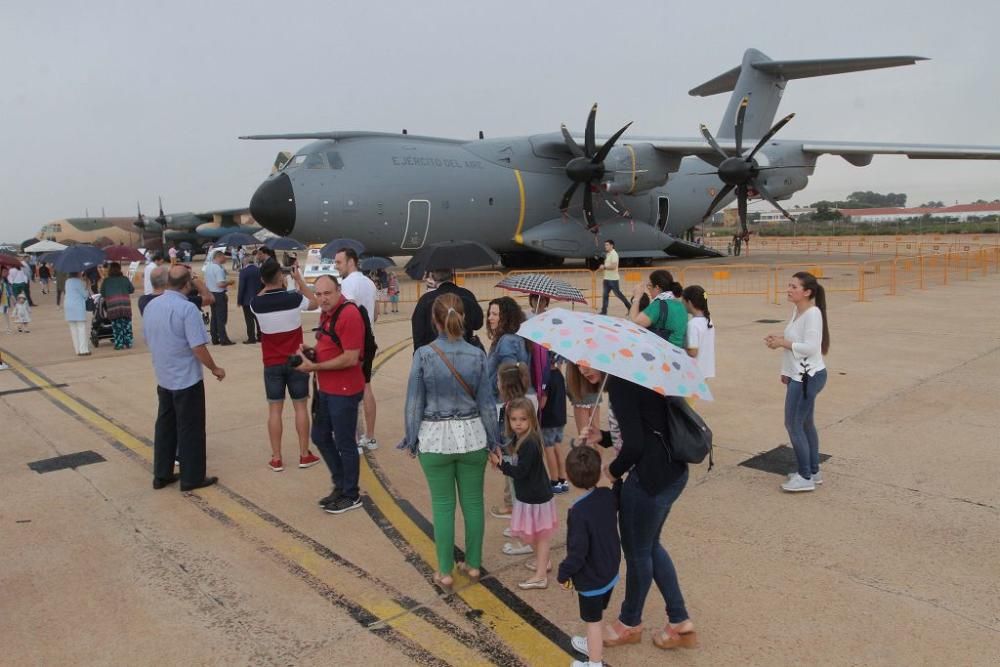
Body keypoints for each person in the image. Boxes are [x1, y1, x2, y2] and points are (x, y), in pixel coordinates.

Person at [578, 365, 697, 652]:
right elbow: (642, 426)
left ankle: (629, 624)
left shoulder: (621, 385)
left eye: (587, 362)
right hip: (671, 473)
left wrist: (609, 474)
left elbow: (633, 446)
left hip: (650, 480)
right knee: (650, 546)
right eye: (577, 364)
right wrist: (602, 437)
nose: (582, 369)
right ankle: (680, 622)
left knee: (638, 551)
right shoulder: (634, 378)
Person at [401, 293, 500, 589]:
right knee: (473, 503)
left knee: (442, 506)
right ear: (463, 318)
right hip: (472, 435)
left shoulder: (424, 354)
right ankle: (472, 564)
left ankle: (444, 570)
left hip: (435, 436)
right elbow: (487, 404)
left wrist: (411, 437)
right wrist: (494, 441)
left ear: (435, 320)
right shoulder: (477, 354)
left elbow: (414, 403)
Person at [143, 265, 225, 492]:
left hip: (164, 376)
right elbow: (197, 347)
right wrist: (214, 368)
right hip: (186, 379)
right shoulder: (187, 309)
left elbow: (149, 338)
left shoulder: (151, 305)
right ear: (187, 284)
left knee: (165, 427)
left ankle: (161, 474)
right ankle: (192, 477)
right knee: (191, 429)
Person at [295, 275, 366, 515]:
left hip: (344, 390)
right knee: (320, 435)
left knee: (345, 442)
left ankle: (351, 493)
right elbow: (332, 346)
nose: (323, 298)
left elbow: (350, 357)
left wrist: (314, 367)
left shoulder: (349, 314)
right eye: (319, 294)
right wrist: (313, 352)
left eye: (327, 293)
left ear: (338, 291)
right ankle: (341, 484)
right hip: (327, 388)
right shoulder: (328, 313)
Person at [250, 259, 320, 472]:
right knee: (300, 407)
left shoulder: (256, 304)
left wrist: (267, 284)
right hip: (296, 360)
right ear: (282, 277)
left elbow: (259, 296)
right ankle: (304, 454)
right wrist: (298, 279)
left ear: (262, 279)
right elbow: (314, 302)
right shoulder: (293, 298)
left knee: (275, 410)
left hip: (271, 364)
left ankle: (277, 457)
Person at [765, 271, 830, 493]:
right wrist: (785, 370)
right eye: (789, 285)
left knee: (793, 424)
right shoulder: (797, 311)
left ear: (807, 292)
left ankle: (805, 476)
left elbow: (811, 347)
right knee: (805, 423)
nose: (789, 289)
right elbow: (795, 342)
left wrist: (782, 343)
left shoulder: (812, 314)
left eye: (794, 286)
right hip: (799, 375)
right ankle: (813, 470)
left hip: (807, 377)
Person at [559, 447, 621, 667]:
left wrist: (563, 573)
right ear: (599, 471)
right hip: (610, 570)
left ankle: (594, 662)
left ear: (568, 476)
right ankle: (592, 643)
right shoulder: (607, 495)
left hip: (592, 578)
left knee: (593, 622)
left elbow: (577, 553)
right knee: (599, 613)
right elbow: (617, 490)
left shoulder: (578, 512)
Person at [489, 397, 557, 590]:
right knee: (535, 535)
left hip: (536, 498)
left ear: (532, 420)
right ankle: (544, 563)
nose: (518, 423)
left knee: (540, 537)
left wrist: (501, 464)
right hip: (532, 495)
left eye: (523, 419)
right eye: (514, 419)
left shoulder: (529, 443)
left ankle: (541, 575)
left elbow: (520, 472)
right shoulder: (524, 438)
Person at [485, 296, 531, 519]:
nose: (490, 318)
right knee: (511, 454)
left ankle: (512, 505)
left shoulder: (507, 342)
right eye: (490, 313)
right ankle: (512, 503)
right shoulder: (509, 339)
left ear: (506, 316)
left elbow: (508, 375)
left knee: (509, 455)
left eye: (495, 314)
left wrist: (505, 400)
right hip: (507, 404)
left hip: (505, 405)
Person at [334, 247, 379, 451]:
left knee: (347, 391)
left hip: (353, 343)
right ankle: (369, 437)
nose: (336, 267)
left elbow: (347, 312)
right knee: (366, 387)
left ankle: (352, 440)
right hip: (369, 339)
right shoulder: (369, 283)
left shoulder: (347, 284)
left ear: (351, 262)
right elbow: (376, 313)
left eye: (339, 262)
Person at [411, 268, 484, 351]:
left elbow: (418, 332)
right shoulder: (467, 295)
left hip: (433, 353)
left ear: (433, 277)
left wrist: (419, 355)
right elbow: (478, 324)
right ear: (452, 275)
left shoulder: (425, 300)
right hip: (464, 350)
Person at [630, 269, 687, 349]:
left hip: (665, 352)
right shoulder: (680, 305)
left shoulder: (658, 305)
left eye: (649, 286)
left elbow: (635, 323)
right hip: (679, 353)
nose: (648, 289)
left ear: (657, 287)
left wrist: (636, 297)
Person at [138, 265, 215, 316]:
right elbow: (210, 298)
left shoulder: (143, 301)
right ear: (168, 281)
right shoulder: (182, 301)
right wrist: (194, 278)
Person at [682, 285, 715, 383]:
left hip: (693, 372)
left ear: (689, 303)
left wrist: (681, 346)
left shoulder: (693, 325)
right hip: (705, 369)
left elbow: (693, 352)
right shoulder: (708, 320)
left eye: (683, 302)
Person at [99, 262, 135, 350]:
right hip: (125, 305)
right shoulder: (125, 279)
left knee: (116, 325)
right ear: (119, 269)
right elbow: (132, 290)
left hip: (113, 306)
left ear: (110, 270)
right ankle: (128, 342)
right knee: (126, 324)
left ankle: (119, 343)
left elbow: (102, 293)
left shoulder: (106, 280)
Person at [565, 362, 602, 441]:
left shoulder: (575, 358)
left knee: (585, 437)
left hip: (580, 397)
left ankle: (589, 453)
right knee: (596, 433)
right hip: (594, 397)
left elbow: (570, 382)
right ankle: (598, 453)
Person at [204, 250, 235, 345]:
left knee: (214, 317)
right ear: (219, 257)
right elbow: (220, 284)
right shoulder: (218, 268)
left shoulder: (208, 267)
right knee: (221, 317)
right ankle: (223, 339)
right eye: (223, 257)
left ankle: (215, 338)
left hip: (211, 293)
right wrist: (229, 282)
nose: (225, 258)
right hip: (218, 294)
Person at [237, 248, 264, 344]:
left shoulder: (243, 272)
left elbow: (241, 288)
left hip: (246, 300)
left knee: (249, 320)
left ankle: (251, 338)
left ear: (245, 261)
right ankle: (261, 336)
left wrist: (239, 300)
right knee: (258, 318)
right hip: (258, 298)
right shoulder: (259, 270)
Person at [597, 240, 630, 316]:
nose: (605, 246)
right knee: (605, 295)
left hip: (613, 279)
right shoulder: (608, 254)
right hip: (607, 278)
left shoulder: (614, 254)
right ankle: (604, 311)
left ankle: (629, 307)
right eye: (605, 245)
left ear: (612, 246)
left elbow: (614, 266)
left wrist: (604, 267)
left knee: (618, 294)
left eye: (607, 245)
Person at [64, 272, 91, 355]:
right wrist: (87, 285)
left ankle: (77, 350)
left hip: (68, 306)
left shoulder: (67, 281)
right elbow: (85, 295)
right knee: (81, 327)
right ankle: (83, 349)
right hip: (77, 306)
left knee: (73, 329)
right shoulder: (79, 282)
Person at [1, 266, 13, 334]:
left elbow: (10, 292)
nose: (6, 273)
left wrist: (13, 300)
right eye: (4, 272)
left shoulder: (6, 280)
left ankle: (8, 328)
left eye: (6, 271)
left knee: (6, 314)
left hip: (4, 300)